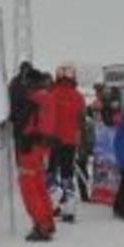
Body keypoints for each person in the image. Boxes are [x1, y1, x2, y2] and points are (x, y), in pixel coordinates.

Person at [11, 68, 57, 241]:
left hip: (29, 147)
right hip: (42, 147)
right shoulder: (49, 97)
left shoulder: (33, 99)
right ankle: (48, 221)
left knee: (29, 188)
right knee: (39, 186)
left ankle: (41, 226)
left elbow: (19, 120)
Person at [47, 65, 86, 223]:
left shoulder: (52, 94)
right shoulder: (78, 96)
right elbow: (81, 120)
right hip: (70, 141)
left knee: (50, 174)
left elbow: (46, 118)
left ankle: (54, 204)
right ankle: (69, 209)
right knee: (67, 174)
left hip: (53, 140)